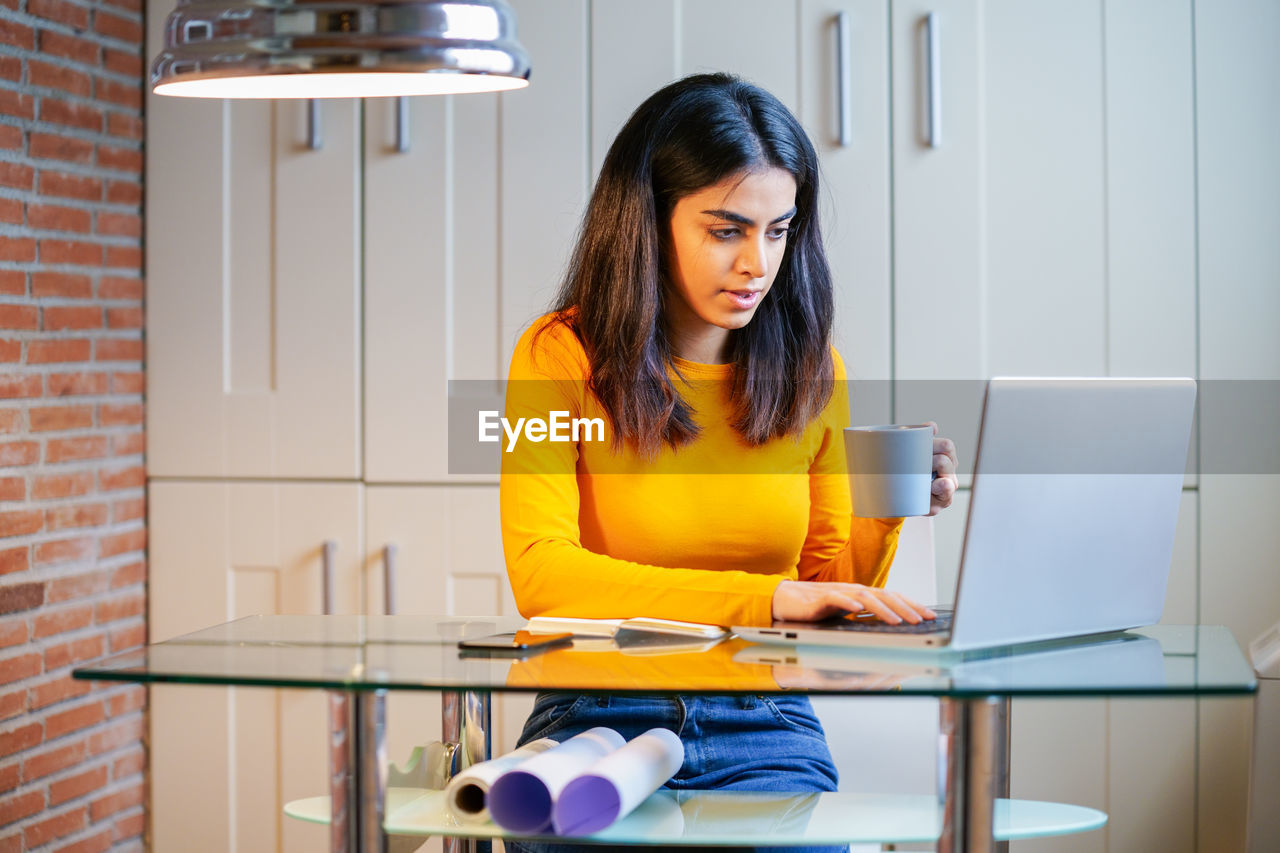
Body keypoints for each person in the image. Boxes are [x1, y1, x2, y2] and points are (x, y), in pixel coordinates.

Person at [498, 72, 959, 853]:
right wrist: (767, 599)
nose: (758, 263)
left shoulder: (815, 372)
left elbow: (821, 594)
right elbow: (543, 575)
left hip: (765, 724)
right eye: (727, 230)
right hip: (596, 716)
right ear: (648, 219)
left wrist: (886, 510)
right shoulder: (556, 355)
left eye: (779, 230)